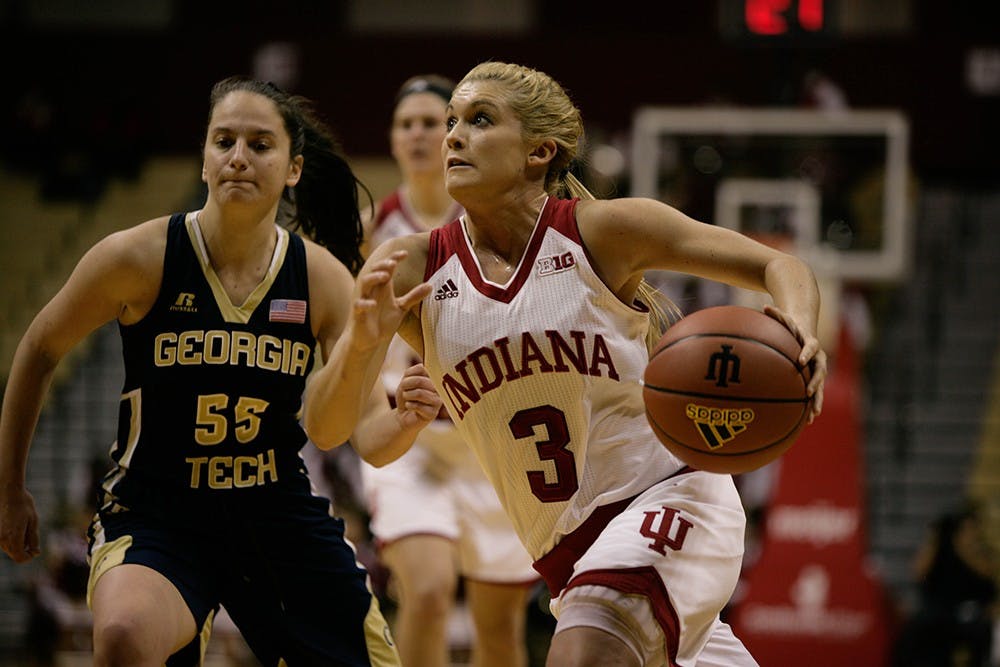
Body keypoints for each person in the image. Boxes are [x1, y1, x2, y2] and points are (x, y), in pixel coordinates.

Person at [304, 61, 828, 667]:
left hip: (670, 497)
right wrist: (367, 356)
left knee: (581, 653)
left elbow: (780, 267)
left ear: (538, 152)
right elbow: (344, 432)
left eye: (478, 120)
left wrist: (800, 332)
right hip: (568, 553)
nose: (453, 136)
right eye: (452, 122)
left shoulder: (603, 232)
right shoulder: (411, 265)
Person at [0, 75, 440, 666]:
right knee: (125, 637)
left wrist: (407, 422)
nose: (238, 157)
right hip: (158, 513)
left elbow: (359, 435)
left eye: (260, 145)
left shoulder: (321, 279)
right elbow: (40, 346)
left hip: (275, 514)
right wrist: (9, 489)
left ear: (293, 169)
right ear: (203, 161)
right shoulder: (139, 256)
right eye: (223, 141)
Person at [360, 74, 538, 667]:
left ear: (455, 136)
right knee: (430, 593)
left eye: (431, 123)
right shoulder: (368, 233)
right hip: (412, 440)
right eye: (405, 123)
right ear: (391, 140)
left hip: (494, 443)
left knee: (499, 630)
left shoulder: (501, 227)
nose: (418, 134)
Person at [892, 500, 998, 667]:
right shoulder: (940, 549)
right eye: (964, 529)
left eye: (971, 529)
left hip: (971, 613)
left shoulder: (981, 552)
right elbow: (918, 572)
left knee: (980, 631)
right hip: (939, 612)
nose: (968, 533)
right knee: (915, 631)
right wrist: (934, 537)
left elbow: (986, 573)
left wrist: (964, 548)